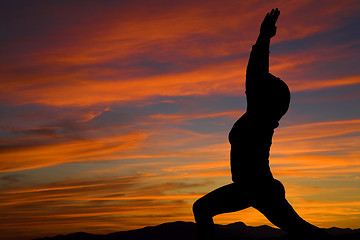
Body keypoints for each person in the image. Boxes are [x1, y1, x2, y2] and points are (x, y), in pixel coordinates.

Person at [192, 8, 327, 240]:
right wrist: (264, 38)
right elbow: (255, 78)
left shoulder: (259, 117)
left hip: (256, 188)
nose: (261, 83)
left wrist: (263, 38)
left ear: (266, 97)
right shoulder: (260, 118)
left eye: (268, 82)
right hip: (254, 187)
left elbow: (254, 73)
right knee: (301, 229)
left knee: (202, 208)